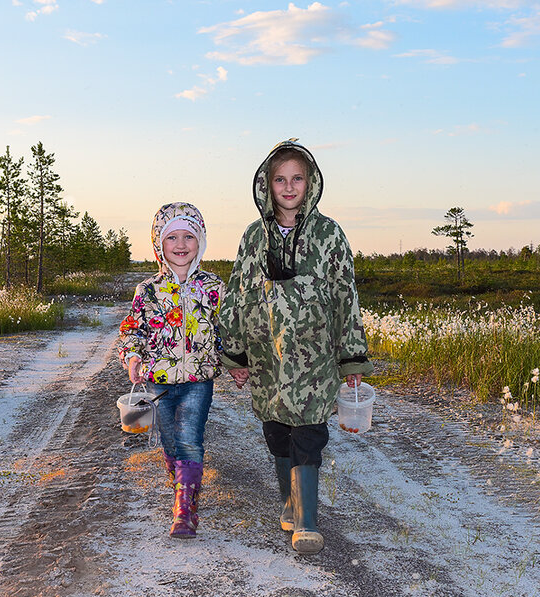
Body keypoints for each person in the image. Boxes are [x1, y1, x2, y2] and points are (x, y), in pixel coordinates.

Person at [219, 139, 372, 555]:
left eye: (297, 178)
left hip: (315, 357)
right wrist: (234, 353)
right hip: (268, 356)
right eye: (280, 179)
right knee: (276, 432)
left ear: (311, 183)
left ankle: (307, 521)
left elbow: (345, 294)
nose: (289, 187)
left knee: (309, 432)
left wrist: (350, 356)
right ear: (266, 186)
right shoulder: (254, 237)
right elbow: (237, 292)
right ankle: (289, 501)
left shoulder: (328, 235)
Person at [118, 202, 223, 539]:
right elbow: (132, 332)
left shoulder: (213, 288)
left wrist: (238, 363)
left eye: (188, 236)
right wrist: (133, 358)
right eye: (172, 237)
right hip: (157, 381)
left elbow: (229, 331)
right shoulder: (147, 291)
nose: (180, 245)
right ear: (158, 245)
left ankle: (185, 510)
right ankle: (180, 479)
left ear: (201, 241)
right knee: (169, 440)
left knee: (190, 438)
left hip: (198, 380)